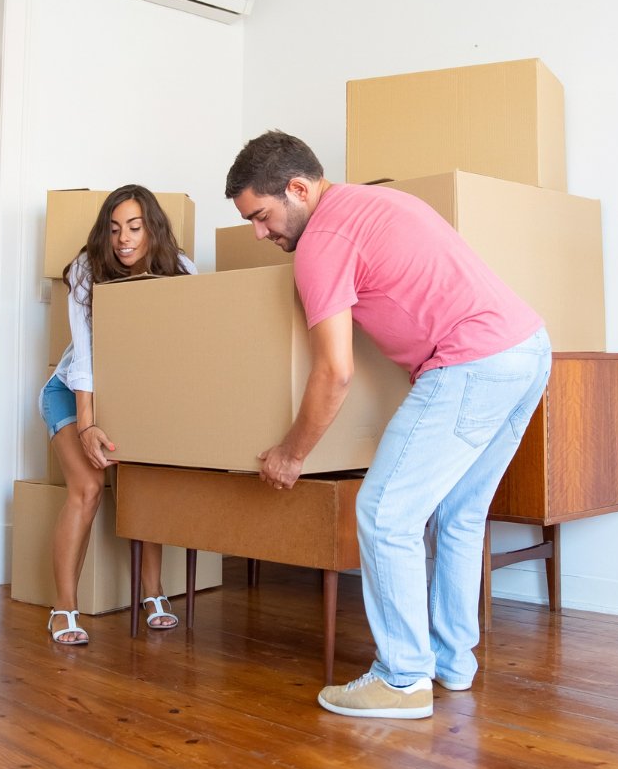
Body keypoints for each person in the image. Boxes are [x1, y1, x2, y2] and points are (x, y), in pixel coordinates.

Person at [226, 131, 551, 719]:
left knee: (384, 513)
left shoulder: (322, 242)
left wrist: (291, 454)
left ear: (298, 189)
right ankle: (452, 663)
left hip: (473, 360)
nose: (259, 233)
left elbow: (335, 372)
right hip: (526, 350)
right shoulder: (375, 201)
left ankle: (402, 679)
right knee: (458, 514)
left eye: (262, 216)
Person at [38, 185, 196, 645]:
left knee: (143, 487)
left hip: (134, 397)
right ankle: (63, 608)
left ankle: (152, 594)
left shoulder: (180, 269)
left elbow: (191, 342)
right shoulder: (87, 268)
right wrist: (87, 425)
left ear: (153, 229)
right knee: (88, 489)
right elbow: (85, 355)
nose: (123, 239)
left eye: (134, 227)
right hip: (73, 392)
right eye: (113, 229)